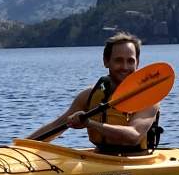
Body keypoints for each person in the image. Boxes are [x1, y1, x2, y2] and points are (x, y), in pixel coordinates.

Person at [27, 31, 163, 154]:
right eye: (118, 60)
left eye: (130, 61)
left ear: (137, 63)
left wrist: (90, 123)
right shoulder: (89, 95)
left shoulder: (148, 98)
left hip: (136, 161)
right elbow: (57, 126)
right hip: (99, 157)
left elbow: (133, 136)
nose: (125, 67)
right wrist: (20, 147)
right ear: (106, 61)